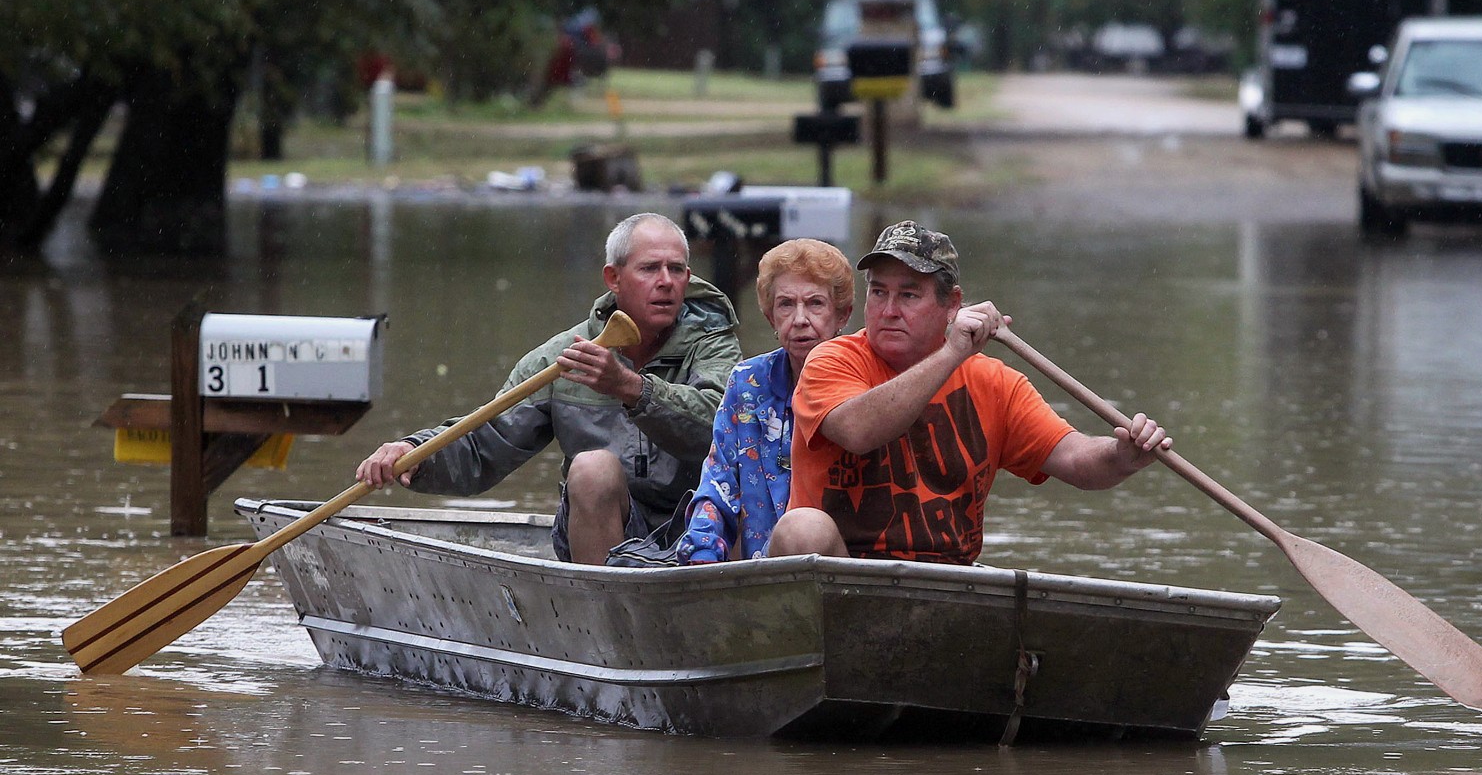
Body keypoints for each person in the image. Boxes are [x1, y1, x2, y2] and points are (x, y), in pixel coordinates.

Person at [768, 220, 1172, 566]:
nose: (889, 309)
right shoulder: (830, 360)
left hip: (948, 582)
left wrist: (1122, 456)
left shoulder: (996, 383)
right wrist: (953, 352)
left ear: (952, 305)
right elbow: (859, 431)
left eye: (908, 295)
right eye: (879, 292)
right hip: (846, 580)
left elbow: (1074, 458)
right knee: (802, 528)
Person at [356, 212, 741, 565]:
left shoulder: (715, 346)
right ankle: (601, 611)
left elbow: (718, 427)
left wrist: (631, 388)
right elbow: (486, 442)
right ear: (614, 278)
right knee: (592, 468)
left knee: (748, 484)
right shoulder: (561, 358)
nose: (665, 282)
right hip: (603, 535)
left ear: (688, 279)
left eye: (676, 270)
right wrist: (415, 452)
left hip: (699, 526)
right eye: (649, 269)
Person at [675, 239, 855, 564]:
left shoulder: (866, 377)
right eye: (786, 305)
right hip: (761, 575)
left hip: (845, 576)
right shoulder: (747, 381)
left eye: (815, 304)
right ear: (771, 317)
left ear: (842, 314)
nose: (800, 319)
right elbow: (719, 482)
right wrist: (701, 553)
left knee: (804, 531)